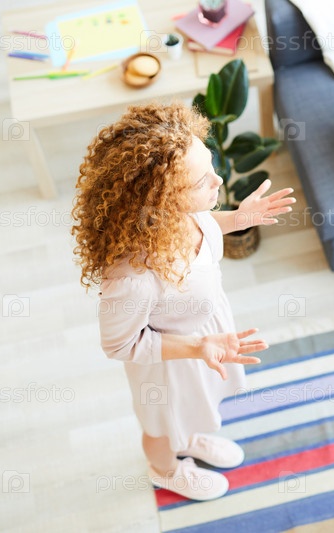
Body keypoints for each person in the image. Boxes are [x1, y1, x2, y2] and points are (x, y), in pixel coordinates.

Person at [71, 102, 296, 501]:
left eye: (210, 164)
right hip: (168, 365)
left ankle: (188, 438)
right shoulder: (133, 277)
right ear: (161, 198)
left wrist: (238, 219)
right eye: (201, 181)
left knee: (193, 408)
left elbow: (204, 225)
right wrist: (196, 347)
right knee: (161, 425)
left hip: (203, 339)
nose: (218, 179)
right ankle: (165, 469)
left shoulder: (179, 215)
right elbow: (118, 345)